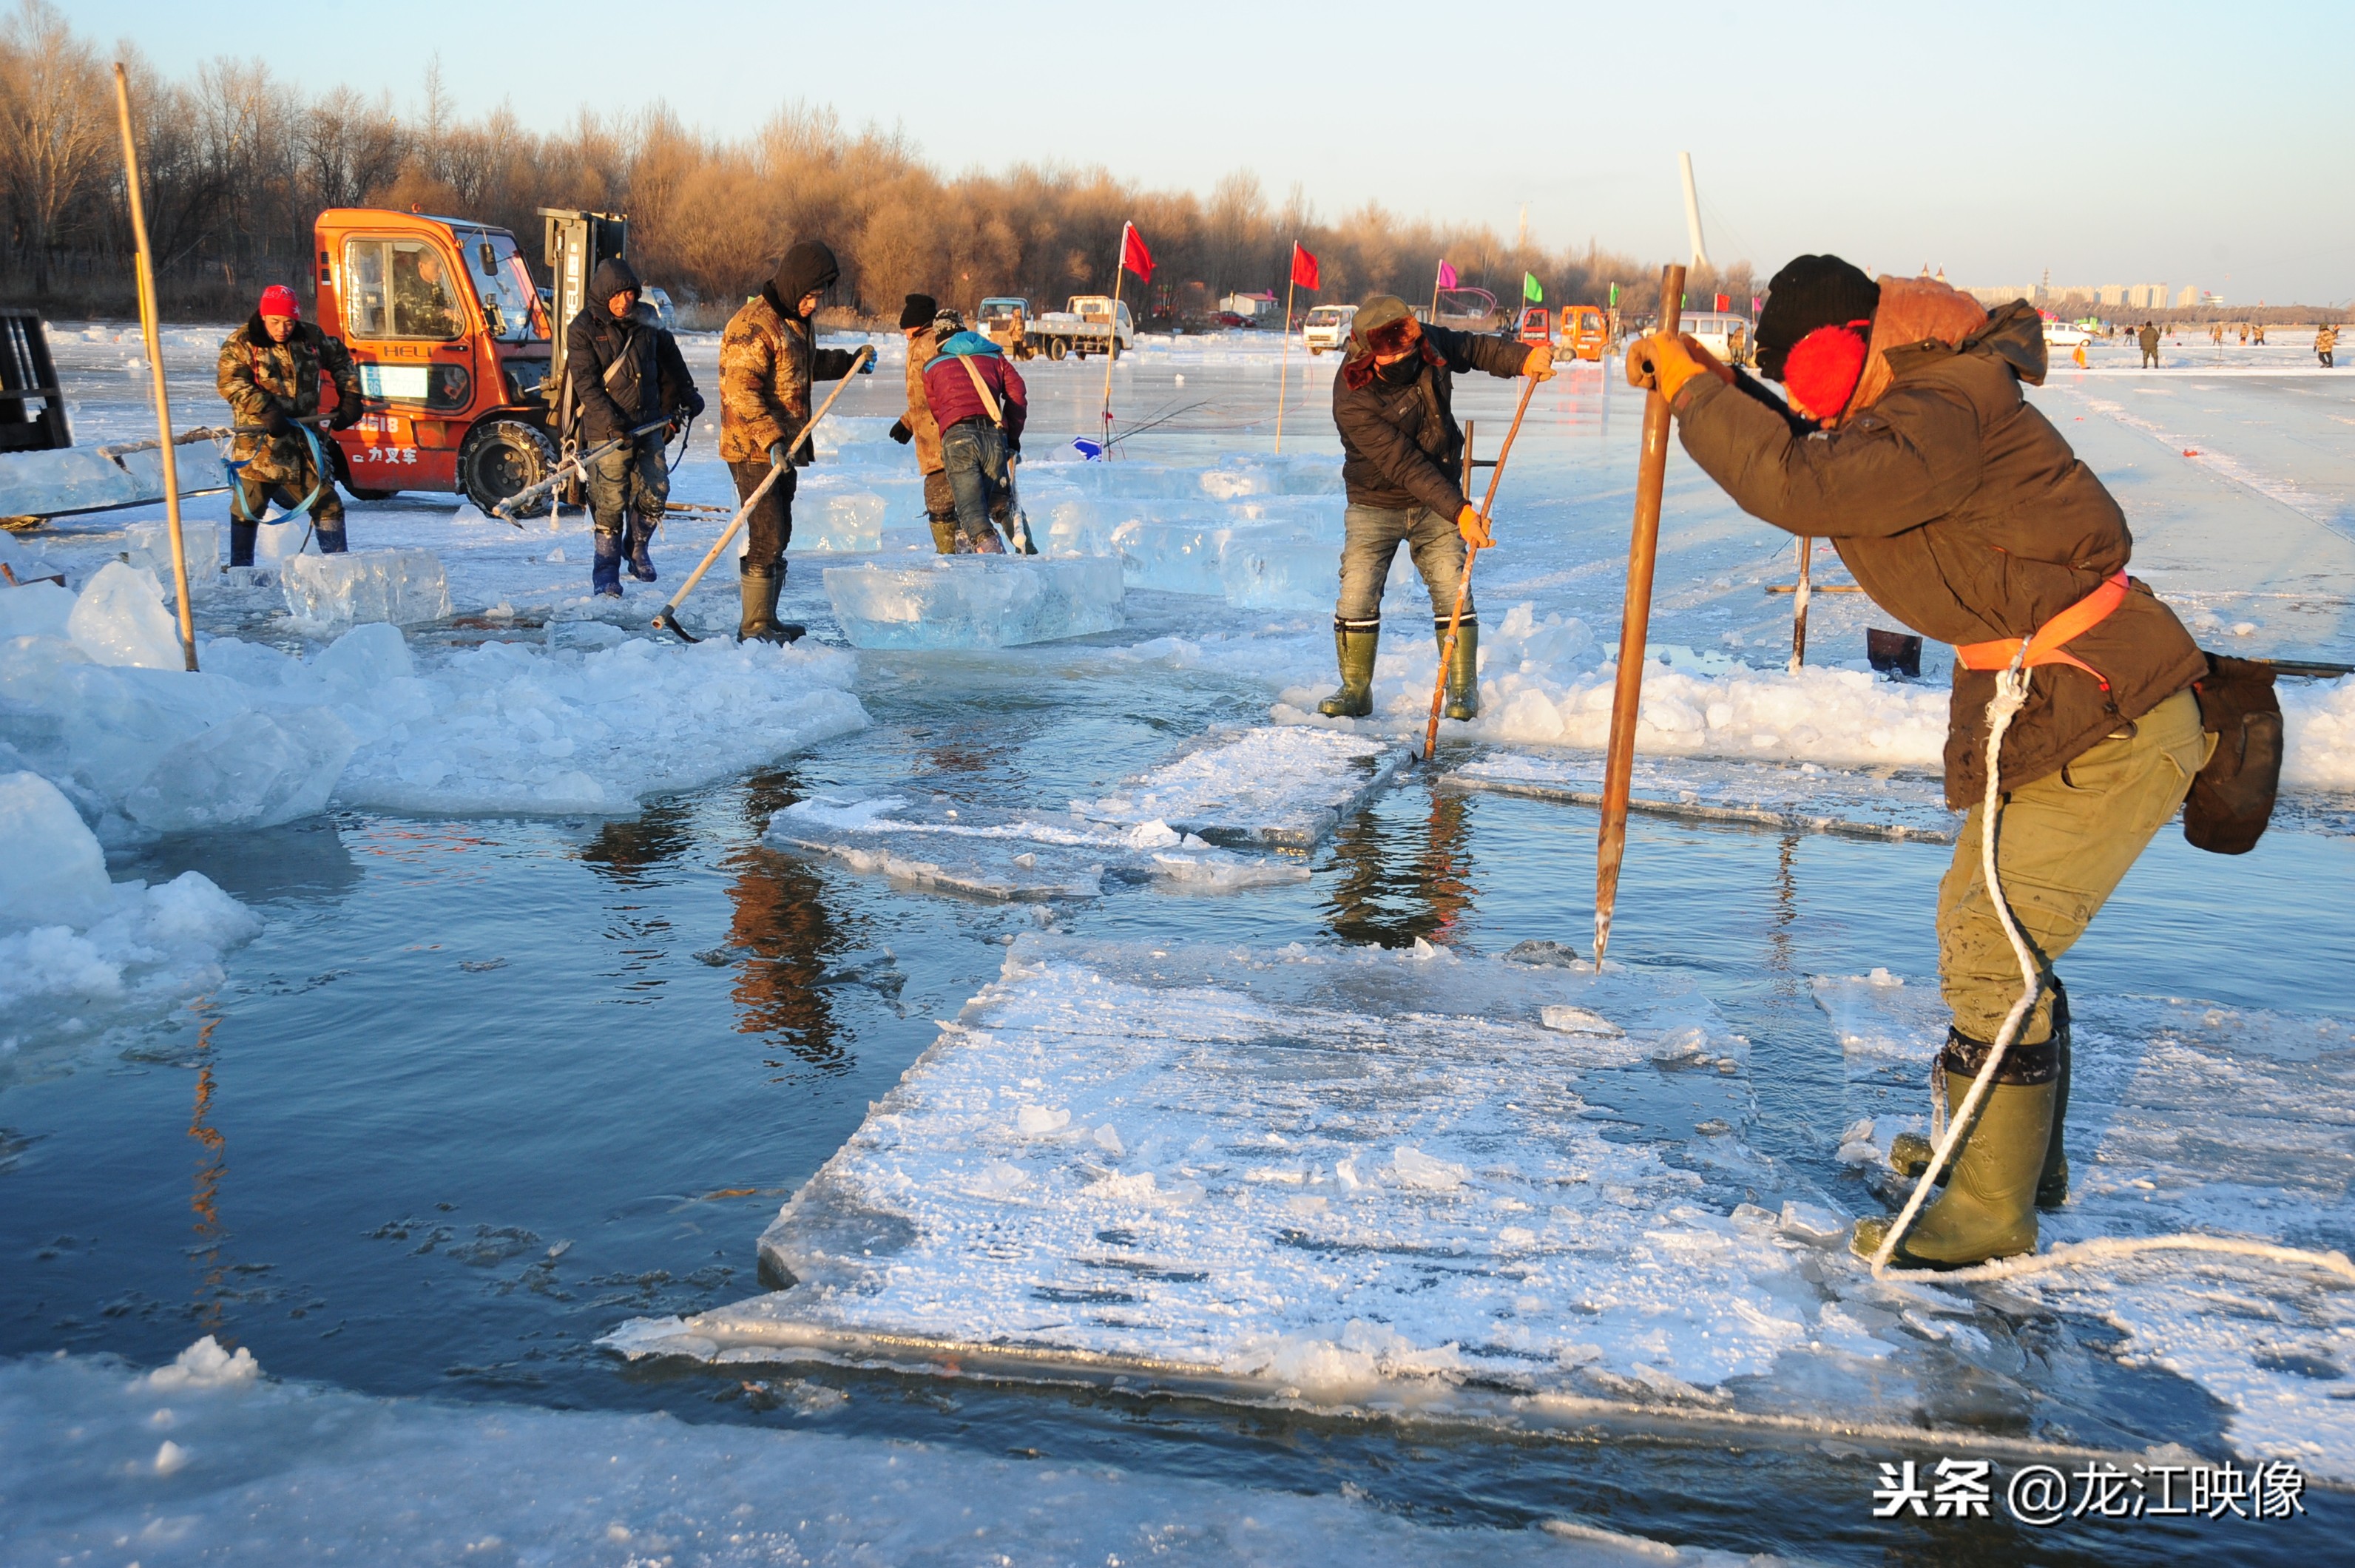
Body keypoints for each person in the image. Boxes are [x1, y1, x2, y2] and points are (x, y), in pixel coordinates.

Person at [1627, 256, 2210, 1270]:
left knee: (1995, 939)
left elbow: (1803, 482)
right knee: (1988, 930)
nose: (1806, 396)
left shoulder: (1942, 408)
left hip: (2107, 704)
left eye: (1803, 369)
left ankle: (1991, 1213)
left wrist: (1693, 394)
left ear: (1858, 343)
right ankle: (2010, 1165)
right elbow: (1812, 448)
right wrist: (1713, 388)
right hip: (2055, 699)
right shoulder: (1914, 403)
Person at [1320, 294, 1551, 721]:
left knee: (1452, 588)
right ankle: (1355, 690)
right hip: (1375, 503)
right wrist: (1462, 511)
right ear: (1371, 354)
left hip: (1439, 496)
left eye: (1411, 346)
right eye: (1397, 353)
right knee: (1357, 594)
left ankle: (1462, 692)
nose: (1409, 356)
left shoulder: (1426, 344)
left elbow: (1474, 348)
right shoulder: (1353, 397)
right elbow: (1403, 464)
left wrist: (1524, 359)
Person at [719, 241, 862, 641]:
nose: (813, 305)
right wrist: (771, 441)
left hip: (786, 448)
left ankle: (768, 618)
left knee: (780, 533)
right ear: (794, 284)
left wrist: (849, 360)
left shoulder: (793, 324)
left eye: (819, 297)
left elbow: (804, 364)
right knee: (768, 532)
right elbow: (740, 392)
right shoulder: (753, 325)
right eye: (810, 296)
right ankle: (755, 626)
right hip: (753, 448)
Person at [564, 257, 700, 596]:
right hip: (607, 430)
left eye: (630, 294)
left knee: (656, 491)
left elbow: (671, 359)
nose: (625, 301)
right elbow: (587, 384)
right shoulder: (582, 329)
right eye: (618, 294)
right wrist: (612, 423)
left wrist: (687, 393)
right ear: (603, 295)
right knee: (609, 501)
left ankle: (637, 548)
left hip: (649, 422)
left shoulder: (647, 320)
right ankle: (606, 571)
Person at [216, 283, 365, 564]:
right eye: (275, 322)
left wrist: (352, 396)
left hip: (304, 447)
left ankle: (338, 568)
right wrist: (265, 409)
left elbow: (342, 360)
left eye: (288, 322)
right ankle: (241, 570)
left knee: (328, 504)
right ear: (263, 317)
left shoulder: (310, 337)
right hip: (260, 448)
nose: (282, 328)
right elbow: (229, 382)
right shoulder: (243, 343)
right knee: (248, 509)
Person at [920, 319, 1030, 552]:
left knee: (973, 515)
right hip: (994, 437)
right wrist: (1013, 436)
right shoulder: (996, 357)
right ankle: (1031, 560)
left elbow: (938, 410)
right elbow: (1017, 395)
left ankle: (997, 572)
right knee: (1003, 503)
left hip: (959, 439)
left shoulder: (932, 366)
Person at [888, 293, 958, 553]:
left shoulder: (932, 342)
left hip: (942, 436)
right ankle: (954, 554)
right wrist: (908, 421)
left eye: (907, 327)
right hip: (930, 433)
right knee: (943, 498)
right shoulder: (919, 341)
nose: (904, 333)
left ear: (917, 323)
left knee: (941, 499)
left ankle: (953, 558)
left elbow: (944, 387)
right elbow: (923, 391)